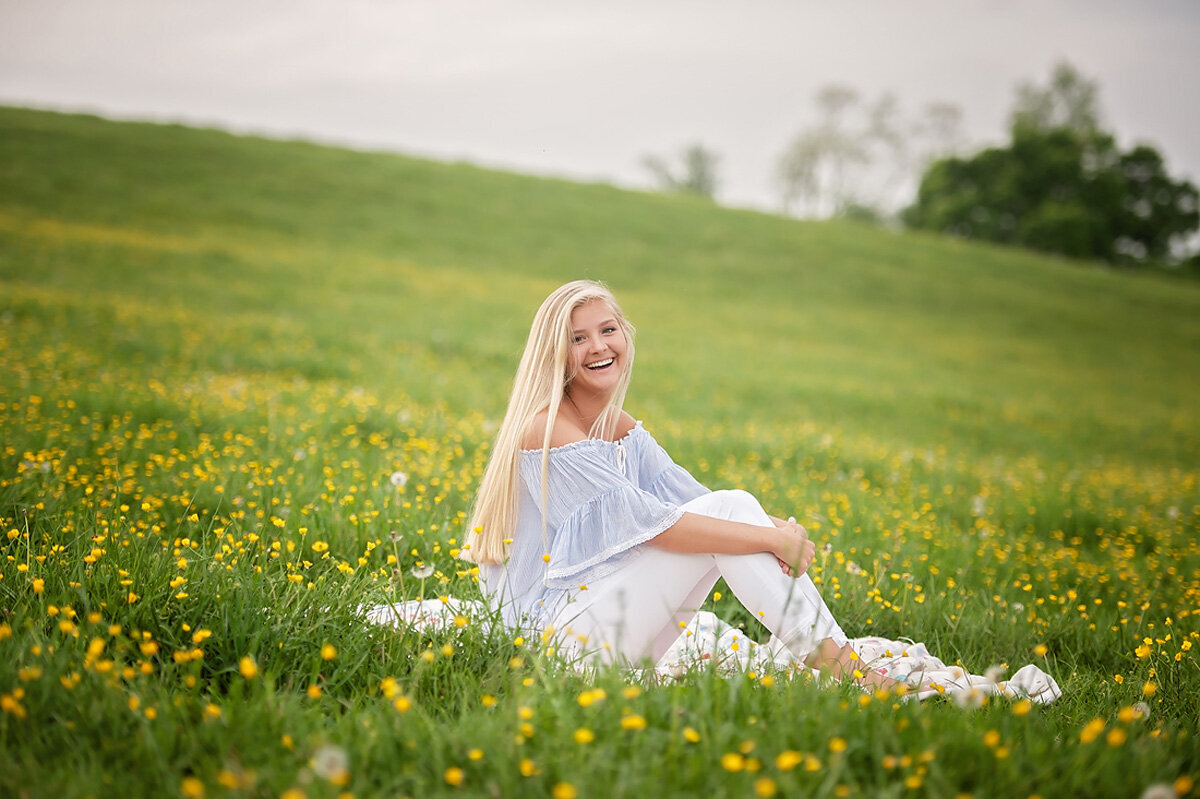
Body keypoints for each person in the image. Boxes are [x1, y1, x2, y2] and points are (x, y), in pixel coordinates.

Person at [462, 280, 895, 688]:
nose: (598, 346)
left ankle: (841, 661)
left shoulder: (618, 428)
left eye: (608, 330)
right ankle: (847, 671)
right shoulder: (548, 428)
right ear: (555, 353)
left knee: (733, 511)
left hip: (601, 634)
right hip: (549, 650)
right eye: (578, 338)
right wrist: (772, 539)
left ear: (626, 336)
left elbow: (695, 504)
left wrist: (782, 530)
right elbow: (659, 526)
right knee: (733, 514)